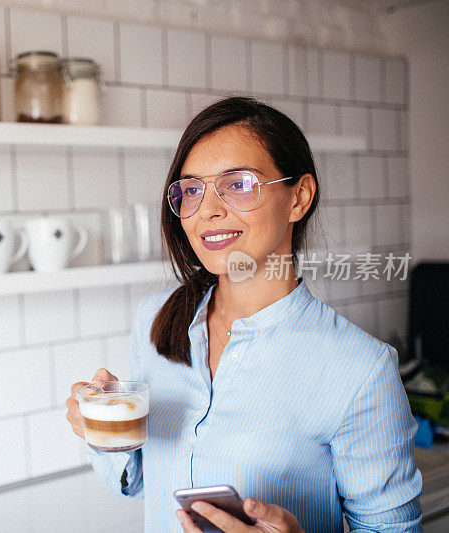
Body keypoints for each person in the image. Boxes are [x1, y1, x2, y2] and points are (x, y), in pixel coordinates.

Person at [65, 97, 422, 533]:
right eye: (192, 189)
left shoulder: (360, 369)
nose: (208, 210)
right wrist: (104, 431)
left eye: (238, 184)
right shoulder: (155, 319)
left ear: (299, 197)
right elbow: (140, 482)